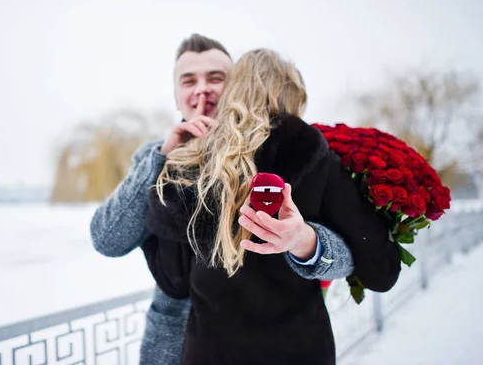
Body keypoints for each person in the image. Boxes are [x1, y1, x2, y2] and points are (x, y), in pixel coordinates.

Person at [90, 35, 355, 364]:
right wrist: (164, 156)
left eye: (216, 78)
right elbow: (107, 239)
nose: (202, 89)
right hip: (170, 351)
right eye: (189, 81)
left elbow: (348, 257)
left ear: (240, 86)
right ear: (176, 96)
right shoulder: (153, 158)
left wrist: (306, 240)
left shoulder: (291, 151)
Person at [142, 49, 402, 364]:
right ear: (293, 95)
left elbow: (175, 281)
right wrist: (311, 242)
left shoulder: (191, 161)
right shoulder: (316, 156)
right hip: (298, 352)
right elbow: (381, 271)